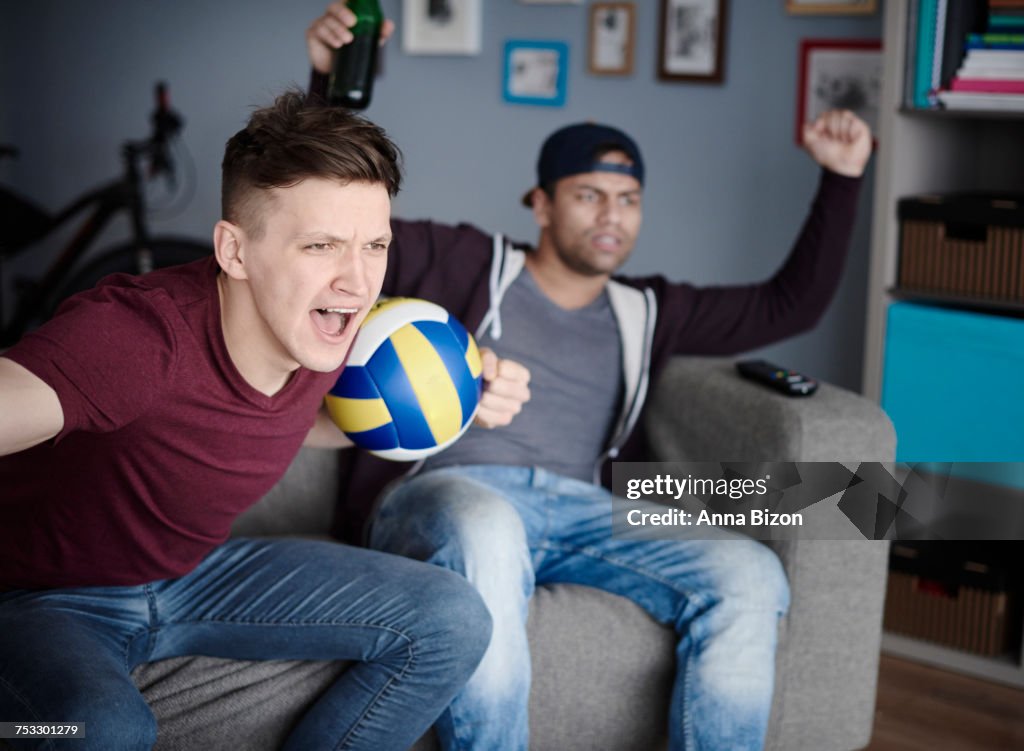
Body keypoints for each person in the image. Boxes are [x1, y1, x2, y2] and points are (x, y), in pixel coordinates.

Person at [307, 5, 874, 750]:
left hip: (583, 510)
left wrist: (840, 181)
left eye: (629, 199)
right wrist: (330, 81)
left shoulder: (650, 310)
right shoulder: (464, 262)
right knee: (487, 527)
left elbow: (790, 302)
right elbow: (328, 204)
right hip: (446, 495)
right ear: (540, 204)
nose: (612, 215)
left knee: (749, 573)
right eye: (588, 194)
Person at [0, 91, 498, 751]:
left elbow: (300, 419)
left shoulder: (335, 330)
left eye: (375, 244)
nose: (356, 280)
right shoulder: (136, 339)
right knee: (101, 728)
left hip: (196, 573)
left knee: (453, 616)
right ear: (234, 252)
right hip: (48, 597)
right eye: (320, 245)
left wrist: (465, 390)